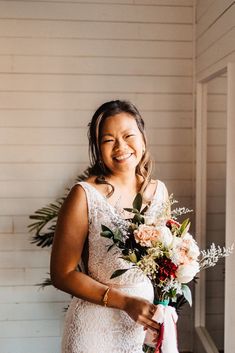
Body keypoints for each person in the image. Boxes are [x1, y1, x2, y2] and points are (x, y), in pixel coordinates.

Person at [50, 100, 169, 353]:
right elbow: (62, 274)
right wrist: (125, 302)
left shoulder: (159, 192)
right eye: (108, 140)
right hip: (93, 330)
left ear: (143, 139)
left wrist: (162, 312)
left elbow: (163, 264)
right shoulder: (84, 195)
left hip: (140, 326)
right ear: (97, 148)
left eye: (128, 136)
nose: (120, 147)